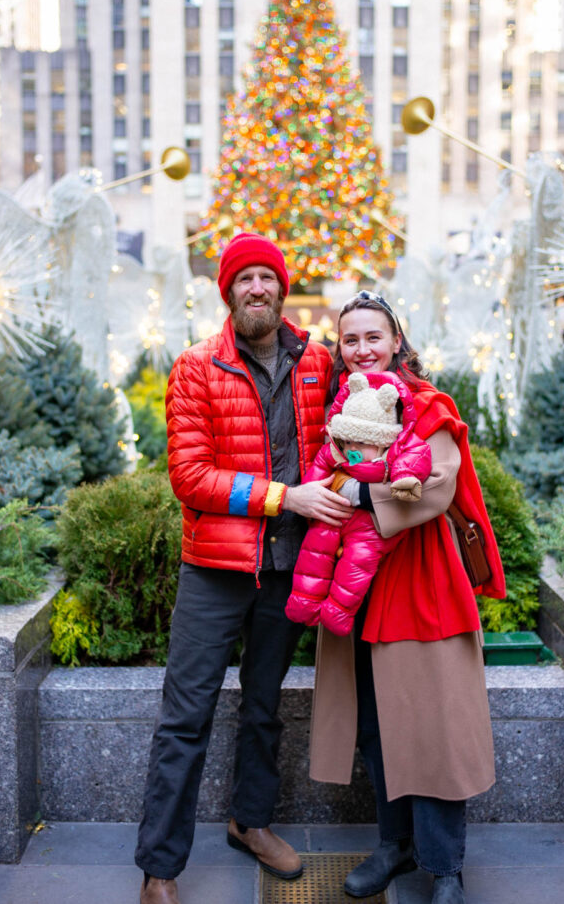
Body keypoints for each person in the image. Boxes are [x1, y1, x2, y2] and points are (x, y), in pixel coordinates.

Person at [134, 233, 353, 904]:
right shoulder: (196, 368)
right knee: (186, 715)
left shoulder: (319, 362)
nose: (257, 287)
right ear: (226, 290)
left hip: (290, 566)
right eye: (244, 278)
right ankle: (160, 867)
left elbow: (366, 414)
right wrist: (285, 497)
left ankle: (249, 821)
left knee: (263, 709)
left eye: (267, 276)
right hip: (215, 568)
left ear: (282, 288)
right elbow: (191, 477)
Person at [307, 290, 506, 904]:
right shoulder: (341, 410)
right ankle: (394, 847)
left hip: (422, 583)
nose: (362, 349)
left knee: (433, 728)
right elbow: (326, 473)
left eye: (373, 337)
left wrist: (361, 496)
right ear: (340, 350)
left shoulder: (426, 405)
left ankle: (444, 868)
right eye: (350, 340)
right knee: (375, 727)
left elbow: (437, 492)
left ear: (397, 341)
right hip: (360, 583)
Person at [285, 370, 432, 635]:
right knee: (315, 550)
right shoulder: (337, 450)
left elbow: (414, 458)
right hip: (333, 512)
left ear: (383, 440)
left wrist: (405, 479)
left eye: (362, 442)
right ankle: (304, 602)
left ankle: (337, 613)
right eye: (348, 440)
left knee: (357, 565)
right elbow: (320, 466)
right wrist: (310, 489)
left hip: (370, 526)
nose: (352, 448)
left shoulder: (397, 448)